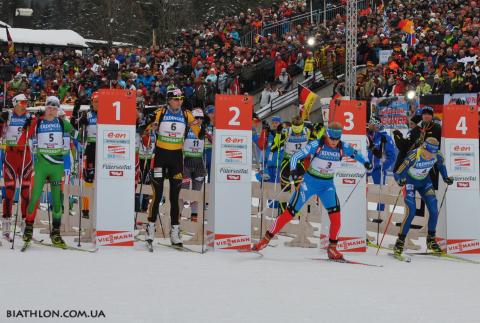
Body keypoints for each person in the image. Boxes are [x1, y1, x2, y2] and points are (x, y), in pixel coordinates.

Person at [253, 122, 372, 260]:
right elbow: (295, 157)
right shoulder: (316, 145)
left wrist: (366, 163)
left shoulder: (343, 147)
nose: (334, 142)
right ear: (327, 135)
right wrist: (293, 171)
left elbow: (358, 155)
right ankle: (265, 240)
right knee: (289, 214)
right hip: (309, 184)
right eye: (332, 138)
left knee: (336, 219)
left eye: (337, 139)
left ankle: (332, 249)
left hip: (327, 186)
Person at [145, 88, 200, 246]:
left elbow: (199, 132)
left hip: (177, 159)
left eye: (181, 98)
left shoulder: (186, 114)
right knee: (158, 194)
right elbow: (146, 127)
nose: (179, 101)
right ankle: (150, 228)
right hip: (160, 157)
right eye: (176, 99)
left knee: (175, 197)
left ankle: (175, 232)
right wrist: (150, 124)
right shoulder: (160, 112)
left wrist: (202, 125)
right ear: (169, 100)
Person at [21, 96, 75, 247]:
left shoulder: (62, 123)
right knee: (35, 196)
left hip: (57, 166)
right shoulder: (37, 122)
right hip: (41, 166)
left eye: (54, 108)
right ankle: (29, 228)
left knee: (57, 201)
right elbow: (27, 138)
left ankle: (56, 233)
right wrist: (27, 126)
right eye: (49, 107)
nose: (51, 111)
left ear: (58, 109)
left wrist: (79, 125)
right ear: (45, 108)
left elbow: (77, 136)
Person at [393, 137, 454, 258]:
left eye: (434, 153)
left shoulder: (437, 154)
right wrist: (400, 181)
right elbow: (397, 173)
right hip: (410, 182)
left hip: (425, 182)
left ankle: (431, 240)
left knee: (434, 210)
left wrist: (445, 177)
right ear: (423, 148)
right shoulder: (414, 155)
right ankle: (399, 242)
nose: (432, 155)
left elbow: (441, 165)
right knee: (411, 211)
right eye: (430, 152)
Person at [0, 94, 33, 241]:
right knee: (9, 190)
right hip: (11, 155)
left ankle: (25, 226)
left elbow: (36, 134)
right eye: (22, 102)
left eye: (26, 102)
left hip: (26, 156)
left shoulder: (31, 116)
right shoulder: (7, 115)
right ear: (15, 103)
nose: (24, 104)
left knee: (25, 191)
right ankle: (6, 225)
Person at [271, 116, 313, 212]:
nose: (297, 135)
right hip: (287, 163)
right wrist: (278, 133)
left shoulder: (307, 130)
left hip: (299, 164)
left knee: (301, 191)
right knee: (285, 192)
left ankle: (298, 214)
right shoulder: (287, 131)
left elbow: (316, 141)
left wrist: (316, 130)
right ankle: (282, 213)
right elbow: (276, 145)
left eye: (299, 133)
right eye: (295, 133)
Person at [71, 92, 99, 219]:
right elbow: (74, 128)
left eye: (100, 101)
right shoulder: (87, 114)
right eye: (95, 101)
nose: (97, 103)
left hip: (104, 149)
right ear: (92, 102)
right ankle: (85, 209)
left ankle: (100, 207)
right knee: (88, 179)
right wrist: (78, 117)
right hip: (90, 148)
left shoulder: (108, 114)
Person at [180, 108, 207, 222]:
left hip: (199, 163)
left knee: (196, 192)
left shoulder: (203, 130)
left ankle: (194, 218)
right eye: (197, 118)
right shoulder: (186, 129)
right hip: (186, 162)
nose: (199, 120)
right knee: (182, 192)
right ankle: (177, 218)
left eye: (201, 118)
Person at [366, 117, 396, 210]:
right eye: (370, 124)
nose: (370, 125)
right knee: (362, 191)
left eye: (373, 124)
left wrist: (383, 167)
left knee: (380, 192)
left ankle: (380, 216)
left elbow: (392, 156)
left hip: (378, 170)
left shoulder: (384, 137)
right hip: (365, 168)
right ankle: (362, 214)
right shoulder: (366, 135)